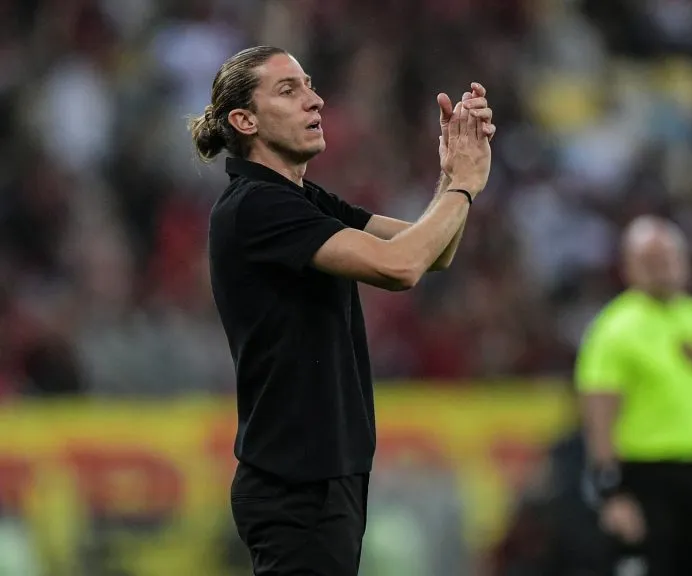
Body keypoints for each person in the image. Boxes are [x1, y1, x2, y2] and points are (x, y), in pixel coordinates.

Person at [188, 46, 495, 575]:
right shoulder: (255, 206)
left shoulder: (303, 199)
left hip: (325, 475)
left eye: (309, 84)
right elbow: (401, 267)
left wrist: (450, 174)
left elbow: (434, 251)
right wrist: (464, 185)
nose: (315, 99)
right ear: (244, 120)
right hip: (294, 482)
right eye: (288, 90)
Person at [575, 216, 692, 576]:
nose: (662, 268)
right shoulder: (615, 329)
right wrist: (612, 493)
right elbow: (598, 416)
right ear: (629, 267)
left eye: (668, 257)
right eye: (650, 260)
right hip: (643, 475)